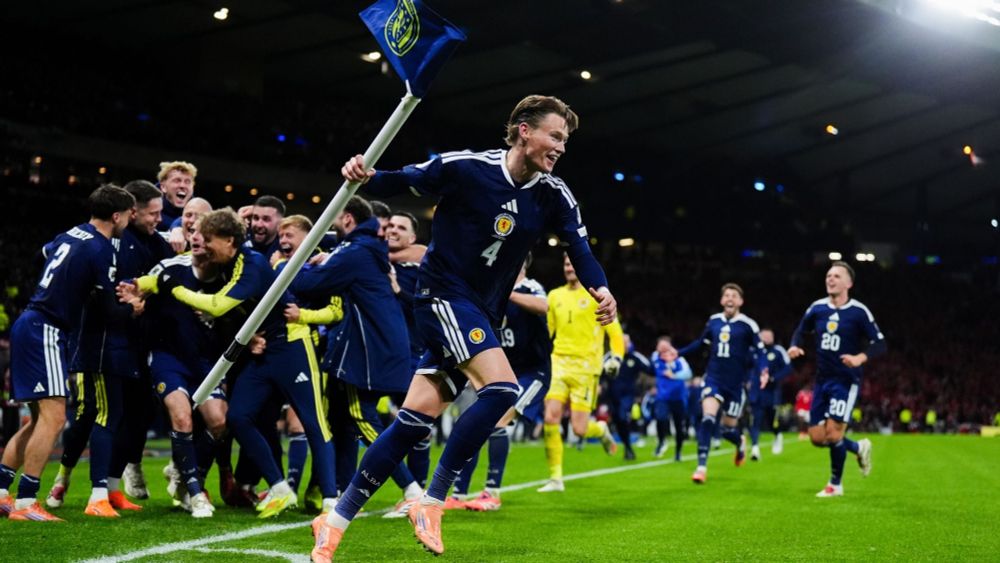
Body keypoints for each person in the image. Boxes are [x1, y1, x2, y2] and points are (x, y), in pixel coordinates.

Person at [311, 94, 617, 561]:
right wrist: (366, 176)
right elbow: (408, 178)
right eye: (555, 135)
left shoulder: (554, 194)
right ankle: (431, 501)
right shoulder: (468, 167)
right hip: (442, 296)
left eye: (566, 140)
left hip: (481, 311)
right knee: (501, 390)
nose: (561, 147)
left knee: (412, 423)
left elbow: (581, 248)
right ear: (523, 130)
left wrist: (601, 289)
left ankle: (333, 522)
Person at [0, 185, 135, 521]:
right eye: (129, 216)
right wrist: (134, 306)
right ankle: (26, 502)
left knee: (37, 420)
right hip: (46, 327)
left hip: (30, 323)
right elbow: (108, 309)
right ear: (116, 216)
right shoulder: (102, 249)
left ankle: (3, 494)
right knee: (55, 418)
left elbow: (46, 253)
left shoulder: (70, 234)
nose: (129, 223)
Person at [288, 197, 422, 517]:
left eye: (335, 219)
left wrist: (292, 263)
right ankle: (343, 493)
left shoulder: (356, 252)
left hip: (368, 349)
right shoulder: (363, 250)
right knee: (344, 421)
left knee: (360, 416)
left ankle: (412, 489)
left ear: (348, 219)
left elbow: (308, 285)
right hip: (377, 344)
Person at [46, 180, 172, 515]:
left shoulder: (155, 244)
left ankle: (110, 489)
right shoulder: (103, 242)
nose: (158, 219)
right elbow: (53, 253)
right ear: (129, 212)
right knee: (94, 415)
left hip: (134, 343)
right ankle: (69, 482)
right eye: (152, 213)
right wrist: (122, 302)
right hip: (99, 341)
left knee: (132, 416)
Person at [449, 255, 550, 511]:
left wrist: (508, 295)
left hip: (533, 372)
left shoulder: (531, 287)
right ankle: (458, 494)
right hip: (503, 372)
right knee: (473, 426)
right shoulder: (491, 290)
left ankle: (492, 493)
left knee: (496, 422)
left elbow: (544, 306)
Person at [788, 261, 885, 497]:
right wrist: (794, 346)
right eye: (828, 275)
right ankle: (858, 447)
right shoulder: (817, 308)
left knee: (833, 433)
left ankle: (835, 485)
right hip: (821, 381)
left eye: (837, 276)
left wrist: (860, 357)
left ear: (849, 283)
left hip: (845, 380)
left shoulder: (858, 312)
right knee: (817, 437)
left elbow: (880, 343)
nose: (830, 279)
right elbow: (802, 330)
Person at [538, 254, 623, 493]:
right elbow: (548, 333)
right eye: (565, 264)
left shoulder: (597, 295)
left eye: (573, 264)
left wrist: (616, 357)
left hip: (587, 369)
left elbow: (615, 334)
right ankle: (555, 478)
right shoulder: (554, 296)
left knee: (580, 429)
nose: (569, 268)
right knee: (550, 418)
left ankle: (602, 429)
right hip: (559, 364)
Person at [678, 283, 767, 484]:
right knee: (708, 418)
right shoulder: (714, 321)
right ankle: (701, 466)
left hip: (736, 385)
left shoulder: (748, 325)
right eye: (726, 295)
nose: (730, 298)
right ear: (721, 300)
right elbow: (700, 343)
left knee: (728, 429)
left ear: (740, 302)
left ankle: (739, 441)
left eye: (734, 296)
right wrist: (679, 353)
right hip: (714, 379)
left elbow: (761, 352)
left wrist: (763, 370)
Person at [748, 328, 792, 460]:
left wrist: (774, 378)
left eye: (769, 336)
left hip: (771, 392)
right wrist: (747, 380)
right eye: (764, 336)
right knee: (755, 419)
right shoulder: (753, 351)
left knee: (772, 419)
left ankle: (777, 434)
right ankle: (755, 448)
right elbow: (746, 366)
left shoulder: (778, 351)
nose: (766, 338)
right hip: (756, 391)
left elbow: (788, 368)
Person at [650, 336, 692, 461]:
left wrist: (674, 375)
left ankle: (678, 452)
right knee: (660, 418)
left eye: (664, 348)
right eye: (660, 348)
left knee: (679, 426)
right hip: (662, 397)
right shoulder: (656, 358)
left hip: (678, 397)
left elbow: (688, 373)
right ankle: (662, 441)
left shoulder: (680, 360)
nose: (662, 350)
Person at [157, 161, 197, 231]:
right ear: (163, 187)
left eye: (187, 182)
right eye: (177, 181)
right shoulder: (147, 207)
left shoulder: (199, 211)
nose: (182, 185)